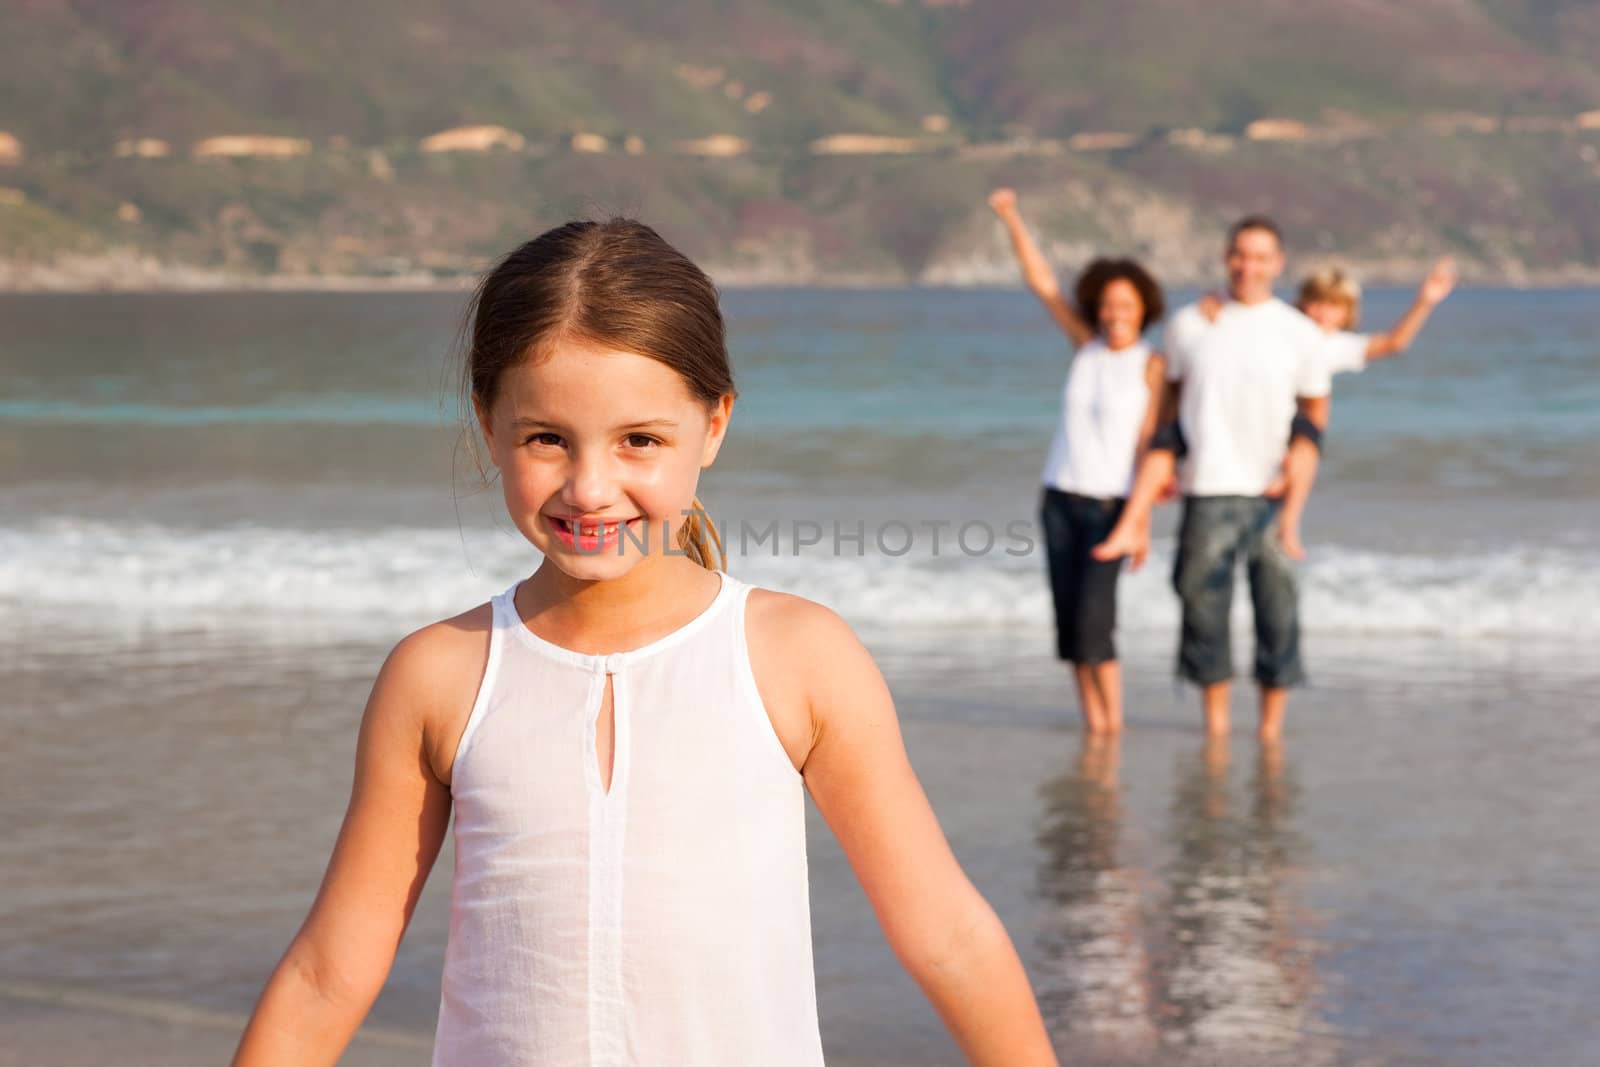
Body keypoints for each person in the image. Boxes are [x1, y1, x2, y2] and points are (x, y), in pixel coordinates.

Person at [231, 219, 1058, 1067]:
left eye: (640, 440)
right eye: (546, 437)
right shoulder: (442, 675)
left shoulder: (794, 657)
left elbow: (947, 936)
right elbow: (330, 972)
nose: (591, 488)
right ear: (489, 426)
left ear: (714, 424)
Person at [1093, 217, 1331, 742]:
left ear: (1278, 264)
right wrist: (1162, 467)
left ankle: (1270, 732)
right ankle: (1217, 731)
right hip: (1206, 485)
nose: (1249, 266)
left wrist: (1298, 463)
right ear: (1226, 258)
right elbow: (1170, 402)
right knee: (1202, 610)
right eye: (1240, 255)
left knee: (1278, 611)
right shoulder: (1188, 325)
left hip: (1270, 491)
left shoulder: (1298, 332)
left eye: (1261, 257)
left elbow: (1316, 407)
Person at [989, 188, 1168, 735]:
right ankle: (1093, 725)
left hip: (1110, 508)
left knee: (1097, 624)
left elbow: (1150, 449)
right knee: (1069, 626)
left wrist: (1140, 524)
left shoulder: (1152, 365)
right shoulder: (1085, 345)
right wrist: (1012, 217)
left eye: (1128, 306)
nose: (1117, 315)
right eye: (1110, 305)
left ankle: (1114, 727)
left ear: (1143, 310)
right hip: (1059, 499)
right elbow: (1042, 282)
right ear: (1098, 307)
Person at [1200, 258, 1458, 555]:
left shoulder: (1336, 345)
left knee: (1306, 449)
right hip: (1261, 417)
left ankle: (1289, 521)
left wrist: (1425, 301)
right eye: (1317, 303)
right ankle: (1277, 482)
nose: (1323, 313)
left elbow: (1394, 343)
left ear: (1347, 314)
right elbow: (1245, 316)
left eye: (1335, 306)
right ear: (1303, 303)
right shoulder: (1283, 328)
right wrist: (1214, 302)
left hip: (1299, 419)